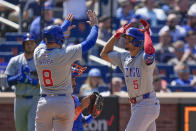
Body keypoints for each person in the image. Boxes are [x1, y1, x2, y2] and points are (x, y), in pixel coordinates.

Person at [34, 10, 98, 131]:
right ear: (60, 39)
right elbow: (90, 42)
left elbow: (44, 40)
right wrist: (95, 26)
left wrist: (63, 27)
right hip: (63, 102)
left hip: (44, 101)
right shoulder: (64, 53)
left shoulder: (37, 52)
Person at [100, 20, 160, 131]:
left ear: (138, 42)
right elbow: (103, 54)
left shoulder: (143, 57)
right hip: (136, 104)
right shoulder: (124, 57)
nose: (126, 41)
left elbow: (150, 52)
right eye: (126, 38)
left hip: (146, 103)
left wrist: (146, 34)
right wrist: (116, 35)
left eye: (129, 39)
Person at [5, 33, 39, 131]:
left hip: (35, 99)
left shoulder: (41, 61)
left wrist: (31, 81)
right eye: (27, 43)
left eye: (31, 43)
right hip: (19, 98)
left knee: (32, 129)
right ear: (23, 45)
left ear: (35, 44)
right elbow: (8, 81)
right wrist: (18, 78)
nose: (29, 45)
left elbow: (45, 83)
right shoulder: (15, 60)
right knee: (20, 129)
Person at [71, 63, 94, 131]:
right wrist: (81, 107)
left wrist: (93, 114)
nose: (75, 84)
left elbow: (82, 122)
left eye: (74, 79)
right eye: (72, 79)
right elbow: (67, 121)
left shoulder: (75, 98)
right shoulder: (58, 99)